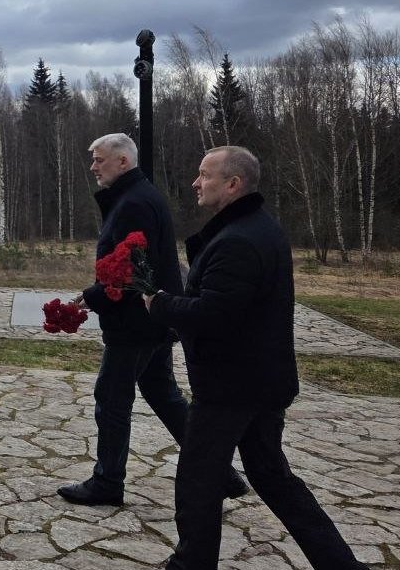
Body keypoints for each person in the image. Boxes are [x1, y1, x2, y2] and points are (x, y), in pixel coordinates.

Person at [145, 147, 368, 569]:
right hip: (259, 381)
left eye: (204, 175)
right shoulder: (254, 228)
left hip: (232, 388)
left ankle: (191, 564)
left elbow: (214, 315)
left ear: (233, 184)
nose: (196, 182)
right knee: (272, 477)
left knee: (199, 479)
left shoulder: (239, 241)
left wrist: (160, 305)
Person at [57, 133, 247, 506]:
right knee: (164, 396)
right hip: (152, 320)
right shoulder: (138, 195)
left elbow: (131, 268)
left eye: (99, 160)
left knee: (111, 399)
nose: (93, 167)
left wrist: (93, 296)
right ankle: (222, 474)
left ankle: (108, 482)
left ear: (123, 162)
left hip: (136, 323)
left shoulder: (134, 203)